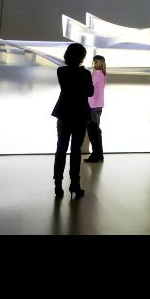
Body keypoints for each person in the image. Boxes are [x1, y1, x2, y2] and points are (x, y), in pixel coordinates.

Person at [51, 43, 93, 198]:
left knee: (61, 148)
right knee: (76, 151)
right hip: (80, 113)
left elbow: (66, 89)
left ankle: (58, 185)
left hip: (64, 112)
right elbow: (89, 92)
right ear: (82, 57)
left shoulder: (61, 71)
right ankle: (75, 184)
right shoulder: (85, 74)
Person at [84, 55, 106, 163]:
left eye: (93, 61)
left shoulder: (96, 74)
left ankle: (95, 155)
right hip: (97, 105)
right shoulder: (101, 74)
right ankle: (99, 153)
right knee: (96, 130)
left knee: (93, 131)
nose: (92, 63)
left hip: (92, 106)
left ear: (96, 62)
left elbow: (87, 86)